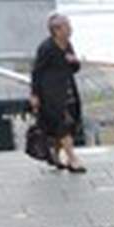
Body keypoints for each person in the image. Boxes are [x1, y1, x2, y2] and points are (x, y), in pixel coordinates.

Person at [29, 13, 86, 173]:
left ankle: (56, 152)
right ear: (56, 30)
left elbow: (74, 68)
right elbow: (36, 72)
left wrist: (74, 61)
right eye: (67, 26)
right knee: (62, 124)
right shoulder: (46, 48)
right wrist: (34, 94)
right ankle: (73, 159)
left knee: (72, 121)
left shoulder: (67, 44)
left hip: (68, 89)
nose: (70, 29)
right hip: (51, 92)